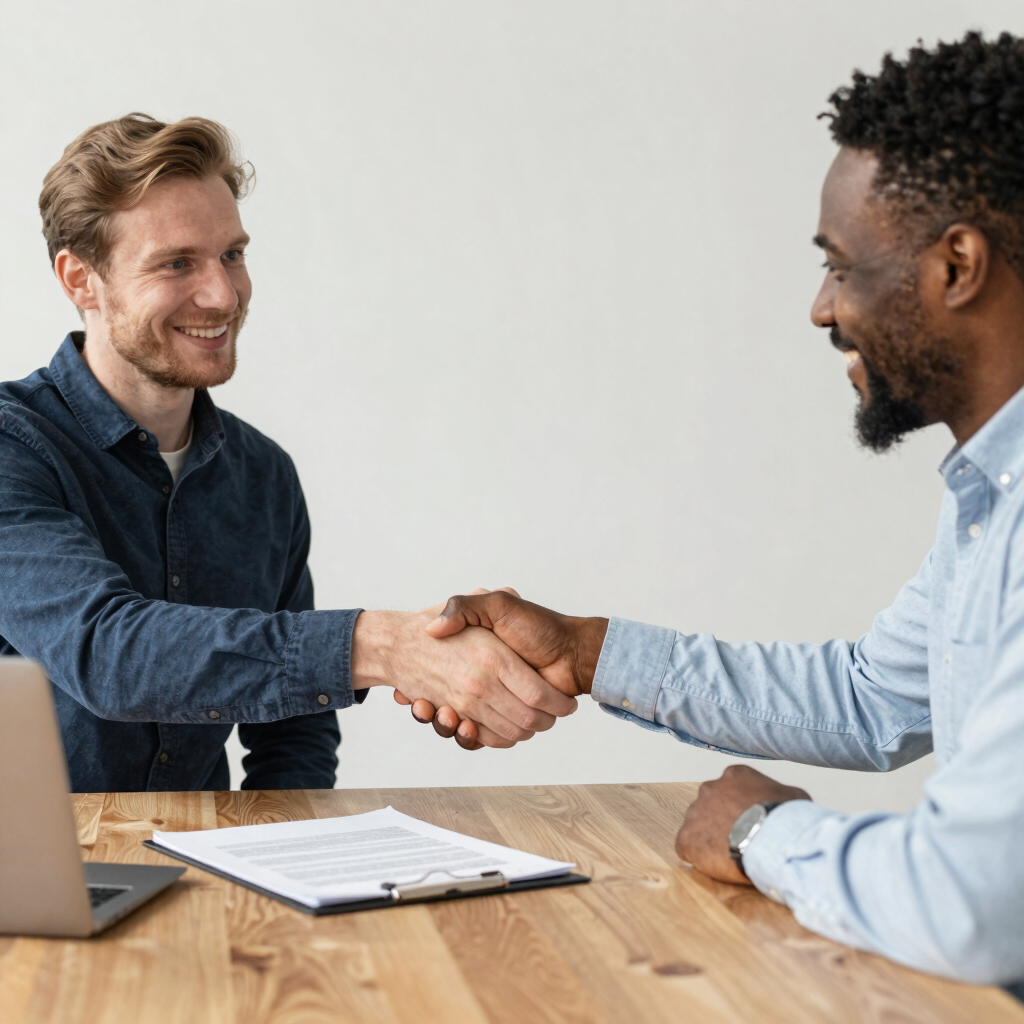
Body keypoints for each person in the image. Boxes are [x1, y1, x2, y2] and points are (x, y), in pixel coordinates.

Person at [404, 32, 1024, 985]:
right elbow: (873, 698)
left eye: (842, 265)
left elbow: (973, 901)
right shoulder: (989, 497)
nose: (822, 308)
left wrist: (760, 833)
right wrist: (584, 649)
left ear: (957, 266)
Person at [0, 113, 575, 793]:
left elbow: (294, 727)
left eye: (232, 254)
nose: (222, 294)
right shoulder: (16, 448)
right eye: (177, 263)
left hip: (200, 870)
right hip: (33, 881)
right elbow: (111, 653)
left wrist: (279, 857)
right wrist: (385, 648)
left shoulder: (263, 474)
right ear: (80, 280)